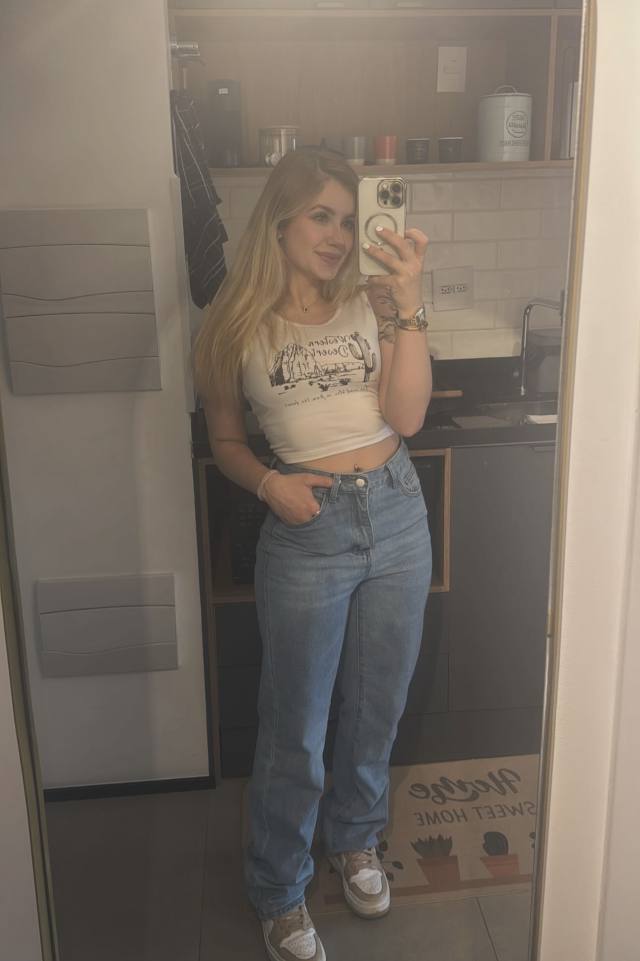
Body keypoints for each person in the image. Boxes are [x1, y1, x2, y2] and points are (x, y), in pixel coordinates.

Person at [192, 147, 432, 961]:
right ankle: (278, 887)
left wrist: (408, 306)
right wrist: (269, 485)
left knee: (376, 705)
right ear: (280, 221)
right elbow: (226, 441)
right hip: (307, 527)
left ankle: (356, 838)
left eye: (347, 220)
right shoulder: (232, 323)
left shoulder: (371, 300)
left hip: (395, 511)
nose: (336, 235)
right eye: (320, 216)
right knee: (295, 722)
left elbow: (408, 416)